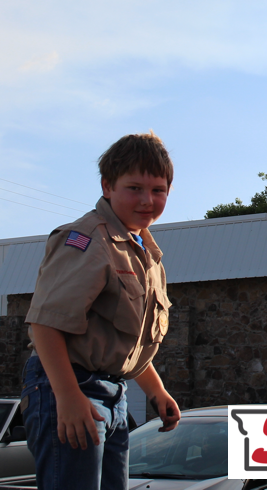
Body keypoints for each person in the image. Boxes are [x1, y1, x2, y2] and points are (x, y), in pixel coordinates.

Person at [21, 132, 181, 490]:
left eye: (158, 190)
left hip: (114, 393)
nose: (147, 200)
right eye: (134, 188)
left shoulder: (144, 252)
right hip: (71, 386)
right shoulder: (86, 239)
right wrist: (67, 396)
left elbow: (123, 340)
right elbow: (44, 325)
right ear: (107, 186)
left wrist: (156, 392)